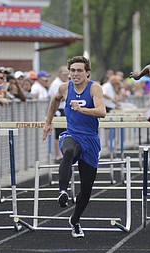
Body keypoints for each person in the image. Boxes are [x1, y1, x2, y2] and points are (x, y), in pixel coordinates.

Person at [43, 56, 106, 238]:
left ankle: (75, 220)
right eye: (73, 71)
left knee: (86, 189)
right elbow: (54, 100)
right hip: (72, 134)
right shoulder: (64, 88)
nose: (75, 74)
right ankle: (62, 191)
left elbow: (102, 112)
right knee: (69, 150)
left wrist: (82, 109)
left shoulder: (94, 88)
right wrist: (48, 122)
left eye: (79, 70)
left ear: (87, 73)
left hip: (91, 140)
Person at [48, 66, 69, 163]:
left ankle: (62, 154)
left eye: (67, 74)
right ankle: (58, 155)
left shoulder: (62, 84)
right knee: (59, 134)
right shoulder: (56, 84)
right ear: (59, 74)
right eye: (64, 74)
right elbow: (57, 98)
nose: (66, 76)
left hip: (63, 109)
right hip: (58, 111)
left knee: (64, 132)